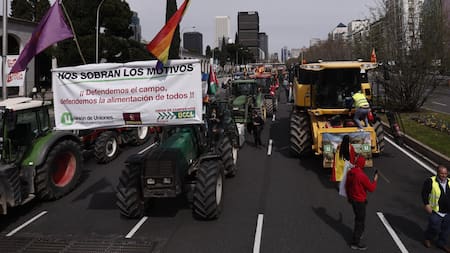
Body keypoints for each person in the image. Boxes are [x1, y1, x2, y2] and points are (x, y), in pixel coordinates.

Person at [345, 156, 378, 250]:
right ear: (362, 164)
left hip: (353, 200)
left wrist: (348, 197)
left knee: (358, 218)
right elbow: (371, 188)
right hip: (360, 201)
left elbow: (347, 186)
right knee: (359, 221)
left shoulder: (350, 172)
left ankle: (359, 233)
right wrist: (375, 180)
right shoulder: (362, 176)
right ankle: (355, 242)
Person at [422, 165, 450, 253]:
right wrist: (426, 204)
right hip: (435, 210)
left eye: (446, 173)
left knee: (446, 229)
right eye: (442, 173)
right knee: (434, 227)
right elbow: (424, 193)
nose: (444, 175)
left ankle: (442, 243)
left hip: (448, 211)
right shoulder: (430, 181)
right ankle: (428, 238)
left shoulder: (449, 182)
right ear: (437, 173)